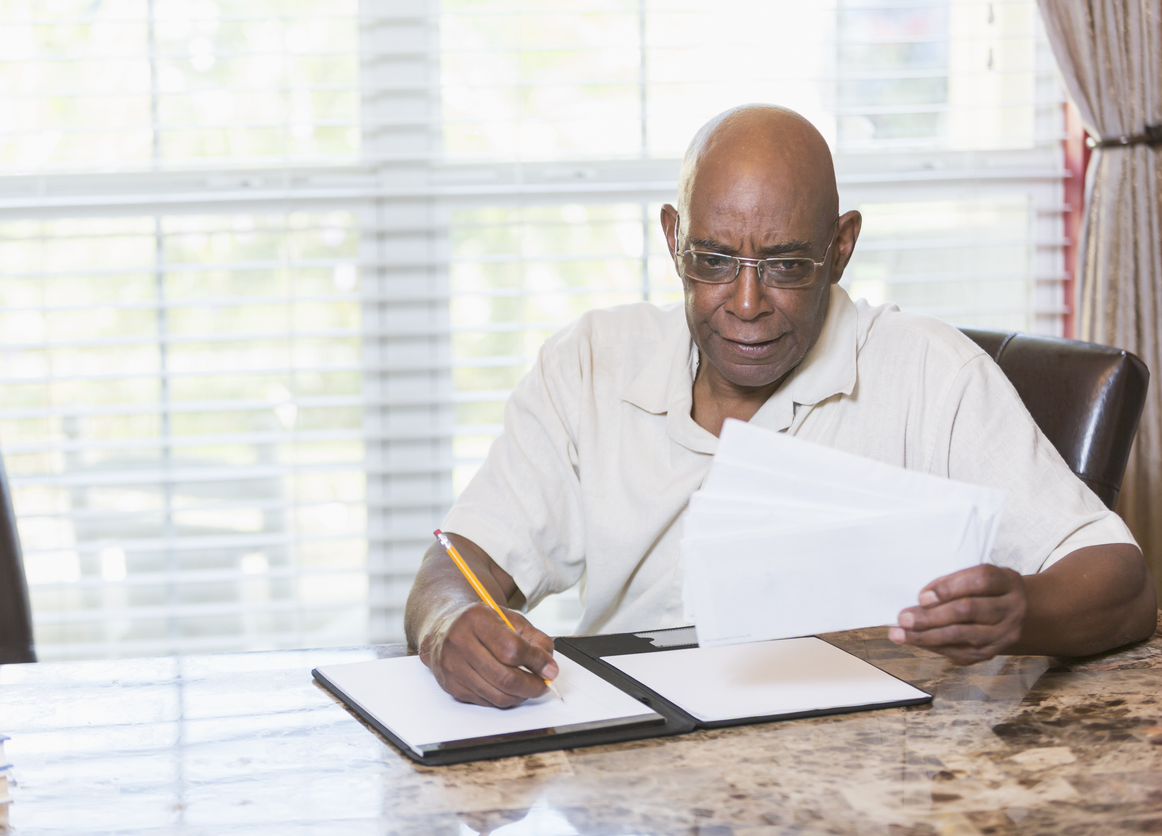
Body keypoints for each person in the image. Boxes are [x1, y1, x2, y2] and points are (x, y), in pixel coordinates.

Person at [405, 105, 1158, 708]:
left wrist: (1024, 608)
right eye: (713, 260)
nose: (745, 302)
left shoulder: (933, 375)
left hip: (865, 769)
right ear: (674, 241)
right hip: (634, 766)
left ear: (841, 248)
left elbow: (1122, 581)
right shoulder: (590, 364)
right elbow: (456, 560)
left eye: (788, 265)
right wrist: (450, 625)